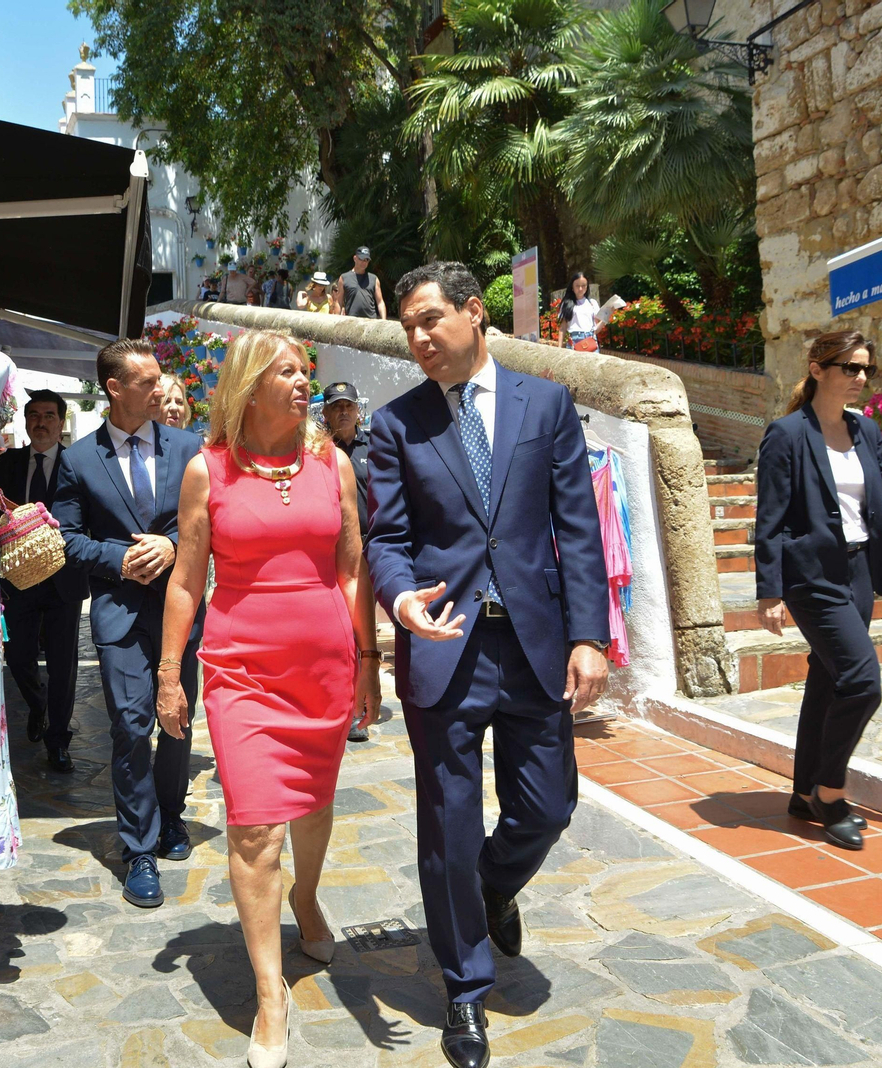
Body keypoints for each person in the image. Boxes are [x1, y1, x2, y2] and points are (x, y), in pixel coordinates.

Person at [366, 261, 610, 1068]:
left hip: (535, 643)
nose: (418, 338)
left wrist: (590, 636)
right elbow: (386, 541)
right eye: (408, 327)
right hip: (445, 647)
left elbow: (576, 528)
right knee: (447, 825)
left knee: (547, 807)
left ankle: (496, 885)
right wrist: (401, 602)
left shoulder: (546, 403)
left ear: (475, 314)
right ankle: (464, 990)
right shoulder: (397, 425)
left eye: (430, 319)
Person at [158, 330, 381, 1068]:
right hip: (242, 672)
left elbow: (352, 568)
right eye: (286, 372)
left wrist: (369, 661)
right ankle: (269, 992)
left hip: (322, 668)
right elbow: (188, 579)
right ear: (250, 385)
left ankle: (306, 899)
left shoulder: (332, 463)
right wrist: (168, 673)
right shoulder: (207, 470)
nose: (303, 384)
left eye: (305, 373)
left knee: (315, 806)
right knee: (255, 828)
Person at [753, 330, 882, 852]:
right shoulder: (787, 433)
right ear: (818, 369)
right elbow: (769, 518)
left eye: (866, 370)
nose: (860, 379)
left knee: (830, 678)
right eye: (849, 368)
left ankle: (801, 792)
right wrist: (769, 591)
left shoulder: (866, 431)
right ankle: (830, 792)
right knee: (863, 682)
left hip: (859, 572)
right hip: (811, 576)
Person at [53, 339, 205, 908]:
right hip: (117, 612)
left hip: (180, 610)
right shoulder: (78, 461)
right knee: (130, 726)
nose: (160, 390)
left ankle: (172, 818)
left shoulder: (189, 447)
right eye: (147, 382)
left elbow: (205, 525)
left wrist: (169, 546)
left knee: (177, 719)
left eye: (160, 380)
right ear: (114, 389)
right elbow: (66, 540)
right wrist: (118, 559)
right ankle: (138, 848)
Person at [0, 388, 88, 771]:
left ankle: (59, 740)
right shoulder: (8, 464)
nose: (41, 422)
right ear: (26, 421)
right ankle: (37, 702)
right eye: (34, 415)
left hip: (64, 580)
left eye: (49, 415)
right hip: (19, 579)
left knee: (64, 664)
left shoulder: (78, 462)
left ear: (61, 422)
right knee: (17, 654)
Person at [321, 380, 373, 743]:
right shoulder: (317, 451)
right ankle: (353, 708)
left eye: (348, 406)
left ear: (357, 410)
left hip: (378, 546)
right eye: (336, 406)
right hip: (340, 550)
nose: (343, 411)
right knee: (350, 628)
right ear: (324, 412)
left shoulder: (377, 447)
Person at [559, 271, 617, 352]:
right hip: (574, 341)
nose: (580, 289)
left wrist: (607, 314)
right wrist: (559, 348)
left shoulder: (592, 303)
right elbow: (563, 327)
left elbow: (595, 329)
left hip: (591, 341)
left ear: (587, 287)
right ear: (572, 287)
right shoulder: (567, 304)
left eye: (583, 286)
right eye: (577, 286)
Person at [334, 246, 386, 319]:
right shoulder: (344, 278)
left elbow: (380, 302)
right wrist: (336, 320)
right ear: (355, 258)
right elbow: (338, 302)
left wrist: (383, 320)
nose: (364, 262)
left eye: (366, 260)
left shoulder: (374, 278)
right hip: (351, 321)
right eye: (361, 259)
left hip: (371, 321)